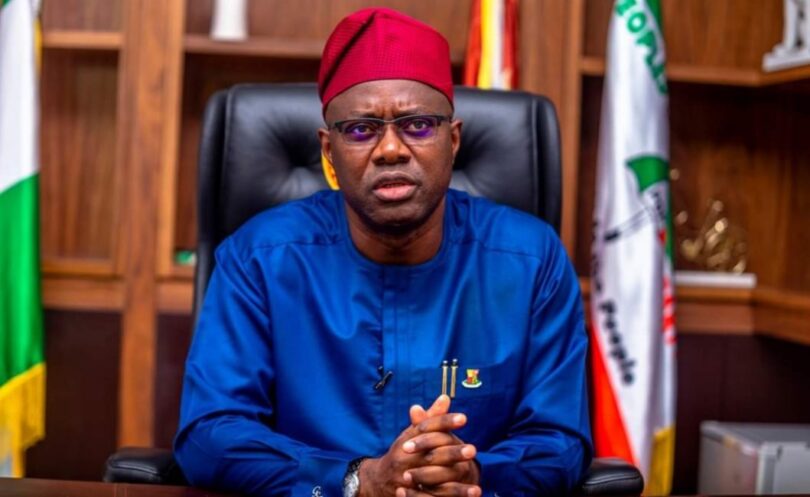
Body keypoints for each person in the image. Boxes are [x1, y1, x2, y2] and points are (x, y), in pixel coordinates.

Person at [174, 7, 592, 497]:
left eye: (418, 125)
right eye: (361, 129)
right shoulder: (260, 259)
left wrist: (472, 474)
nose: (391, 149)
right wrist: (356, 480)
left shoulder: (531, 260)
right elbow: (210, 434)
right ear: (328, 152)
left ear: (453, 140)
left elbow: (561, 440)